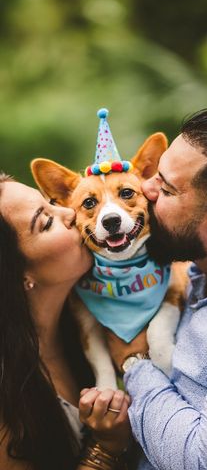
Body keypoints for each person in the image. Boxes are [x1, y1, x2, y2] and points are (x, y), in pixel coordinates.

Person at [81, 108, 207, 469]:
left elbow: (201, 462)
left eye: (164, 187)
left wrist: (132, 363)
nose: (144, 188)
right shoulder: (182, 275)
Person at [0, 175, 131, 470]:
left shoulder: (100, 306)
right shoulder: (9, 395)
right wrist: (106, 448)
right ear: (18, 277)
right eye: (46, 222)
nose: (70, 213)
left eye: (52, 203)